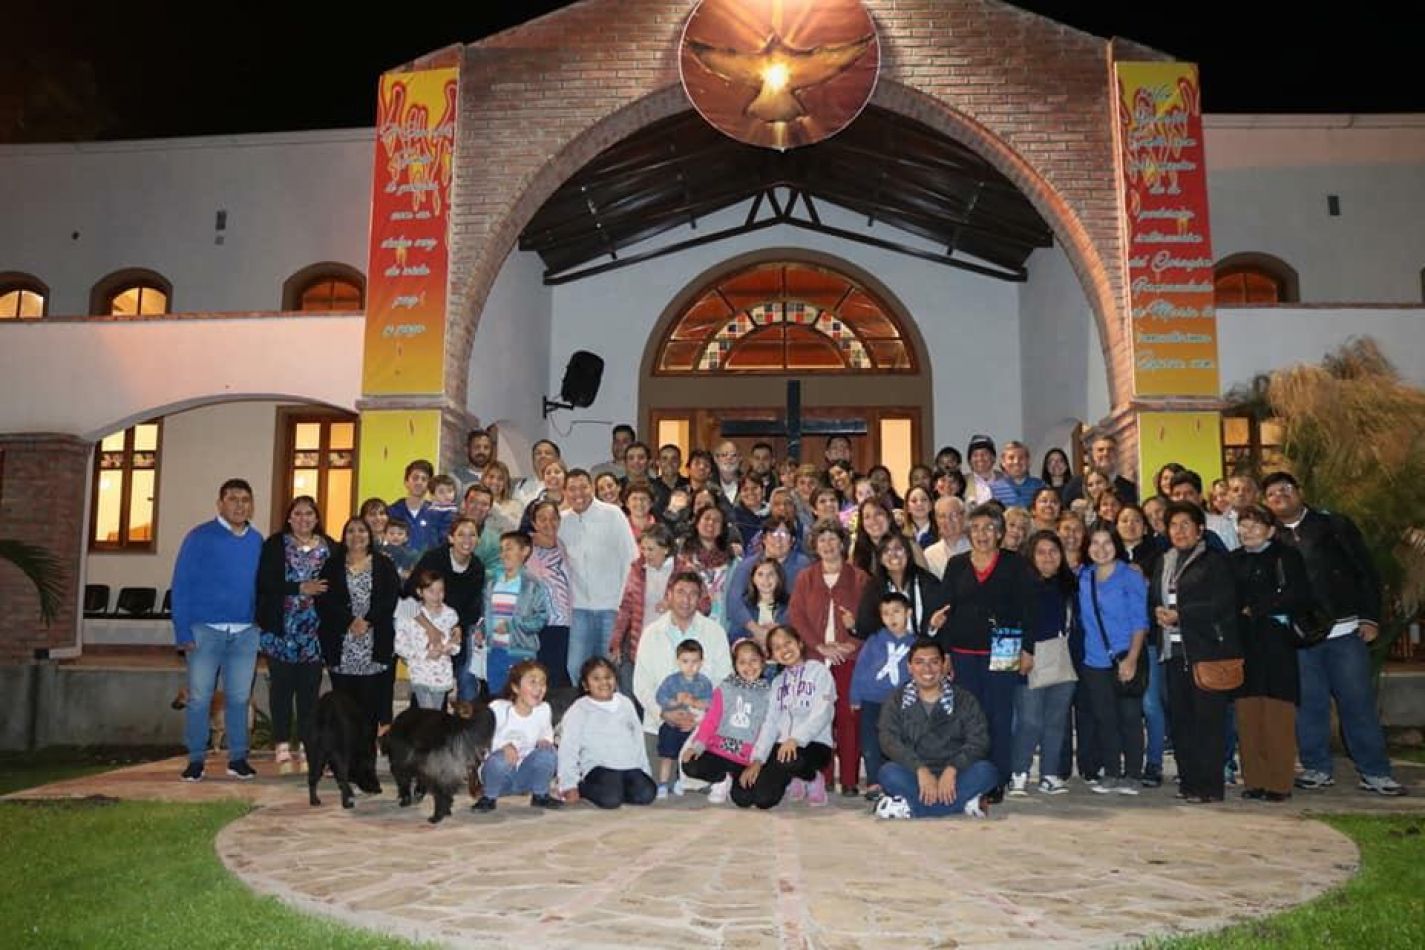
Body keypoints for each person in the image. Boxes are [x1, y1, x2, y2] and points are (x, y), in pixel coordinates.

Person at [1263, 472, 1404, 795]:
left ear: (1300, 492)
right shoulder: (1272, 539)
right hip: (1300, 638)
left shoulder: (1333, 525)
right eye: (1271, 494)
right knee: (1309, 706)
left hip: (1345, 631)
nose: (1280, 496)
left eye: (1285, 489)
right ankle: (1316, 768)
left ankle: (1375, 772)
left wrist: (1370, 618)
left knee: (1357, 703)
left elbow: (1365, 571)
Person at [937, 504, 1037, 800]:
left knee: (999, 716)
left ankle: (997, 779)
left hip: (1004, 647)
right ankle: (971, 777)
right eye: (976, 528)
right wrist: (945, 653)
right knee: (969, 717)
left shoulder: (1015, 564)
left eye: (989, 528)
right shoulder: (956, 565)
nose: (982, 534)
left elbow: (1028, 609)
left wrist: (1027, 649)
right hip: (963, 650)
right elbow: (946, 611)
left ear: (1000, 533)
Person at [171, 478, 264, 782]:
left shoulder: (256, 541)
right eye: (233, 499)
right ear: (220, 503)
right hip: (205, 631)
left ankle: (238, 759)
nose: (240, 505)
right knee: (200, 698)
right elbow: (181, 585)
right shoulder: (199, 537)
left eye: (245, 500)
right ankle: (196, 760)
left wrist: (260, 624)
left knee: (239, 698)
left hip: (245, 633)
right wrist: (182, 631)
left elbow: (263, 587)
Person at [1149, 502, 1242, 803]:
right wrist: (1158, 612)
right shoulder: (1164, 561)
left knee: (1208, 722)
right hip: (1173, 652)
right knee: (1181, 721)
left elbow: (1223, 603)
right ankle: (1188, 783)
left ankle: (1209, 786)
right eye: (1173, 525)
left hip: (1206, 651)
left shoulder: (1214, 561)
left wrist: (1182, 615)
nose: (1179, 531)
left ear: (1200, 529)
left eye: (1186, 524)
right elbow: (1155, 597)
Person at [1230, 504, 1313, 802]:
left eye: (1255, 525)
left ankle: (1279, 783)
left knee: (1278, 713)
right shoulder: (1233, 559)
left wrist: (1257, 609)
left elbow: (1298, 594)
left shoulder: (1285, 556)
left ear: (1270, 530)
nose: (1248, 531)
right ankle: (1254, 781)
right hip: (1244, 645)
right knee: (1248, 715)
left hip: (1277, 643)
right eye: (1244, 525)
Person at [875, 637, 997, 819]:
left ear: (944, 665)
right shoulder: (895, 701)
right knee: (888, 773)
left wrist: (953, 769)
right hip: (913, 773)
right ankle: (961, 803)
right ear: (909, 667)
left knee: (987, 772)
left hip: (957, 773)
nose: (927, 669)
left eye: (934, 662)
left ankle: (912, 808)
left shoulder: (965, 699)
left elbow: (979, 740)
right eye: (919, 662)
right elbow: (889, 741)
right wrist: (920, 770)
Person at [788, 519, 868, 795]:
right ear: (815, 545)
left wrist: (851, 644)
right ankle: (821, 777)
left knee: (848, 717)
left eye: (833, 538)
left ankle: (849, 779)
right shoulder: (806, 577)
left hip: (849, 658)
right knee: (818, 717)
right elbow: (797, 615)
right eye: (822, 539)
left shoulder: (859, 578)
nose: (828, 545)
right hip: (815, 658)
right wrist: (819, 646)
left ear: (843, 544)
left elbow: (869, 618)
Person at [256, 495, 331, 775]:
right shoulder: (275, 545)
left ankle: (309, 745)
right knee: (282, 689)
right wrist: (299, 588)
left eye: (309, 514)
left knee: (310, 692)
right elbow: (265, 582)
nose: (303, 519)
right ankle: (282, 744)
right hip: (281, 629)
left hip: (315, 631)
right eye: (298, 514)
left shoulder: (329, 546)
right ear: (289, 518)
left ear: (316, 518)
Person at [1078, 524, 1149, 795]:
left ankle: (1133, 774)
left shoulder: (1129, 575)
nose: (1101, 549)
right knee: (1104, 718)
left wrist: (1132, 658)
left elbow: (1140, 621)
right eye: (1094, 543)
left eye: (1107, 542)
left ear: (1116, 545)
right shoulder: (1084, 576)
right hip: (1094, 660)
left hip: (1125, 655)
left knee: (1130, 717)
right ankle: (1111, 772)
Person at [315, 517, 400, 736]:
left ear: (370, 536)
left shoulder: (384, 564)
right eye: (351, 531)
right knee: (343, 707)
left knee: (370, 707)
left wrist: (367, 620)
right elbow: (324, 601)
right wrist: (350, 621)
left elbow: (390, 599)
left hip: (373, 642)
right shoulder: (332, 565)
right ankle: (344, 752)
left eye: (362, 530)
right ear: (344, 537)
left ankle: (366, 753)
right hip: (342, 644)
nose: (356, 535)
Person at [739, 625, 838, 808]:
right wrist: (758, 759)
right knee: (752, 797)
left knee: (791, 760)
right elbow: (770, 723)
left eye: (788, 643)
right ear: (772, 655)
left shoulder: (819, 672)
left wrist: (796, 739)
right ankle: (793, 776)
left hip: (814, 744)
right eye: (777, 647)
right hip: (783, 747)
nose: (784, 650)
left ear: (799, 643)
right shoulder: (777, 683)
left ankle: (811, 777)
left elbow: (823, 712)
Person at [1010, 531, 1077, 796]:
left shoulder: (1069, 585)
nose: (1048, 557)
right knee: (1029, 721)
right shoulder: (1020, 585)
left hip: (1063, 658)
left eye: (1053, 551)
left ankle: (1049, 774)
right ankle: (1019, 773)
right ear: (1031, 556)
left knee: (1056, 721)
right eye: (1041, 552)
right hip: (1029, 658)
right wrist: (1024, 651)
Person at [559, 468, 638, 686]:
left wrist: (623, 604)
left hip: (611, 607)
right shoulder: (562, 521)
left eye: (583, 487)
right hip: (578, 608)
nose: (578, 493)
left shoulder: (613, 514)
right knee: (576, 667)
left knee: (610, 668)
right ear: (565, 492)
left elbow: (631, 559)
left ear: (592, 488)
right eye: (572, 489)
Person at [682, 639, 775, 805]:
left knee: (744, 799)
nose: (749, 667)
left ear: (763, 661)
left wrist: (757, 760)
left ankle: (733, 780)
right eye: (742, 662)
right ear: (735, 666)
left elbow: (767, 730)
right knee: (690, 764)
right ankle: (721, 779)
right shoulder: (724, 689)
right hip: (718, 752)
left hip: (744, 758)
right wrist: (697, 746)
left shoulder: (769, 695)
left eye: (753, 660)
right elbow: (710, 720)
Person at [558, 657, 658, 808]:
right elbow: (568, 748)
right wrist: (569, 784)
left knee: (647, 794)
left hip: (629, 767)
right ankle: (584, 787)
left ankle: (618, 790)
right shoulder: (579, 709)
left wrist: (645, 772)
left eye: (608, 677)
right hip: (599, 768)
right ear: (585, 685)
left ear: (615, 680)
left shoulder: (625, 704)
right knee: (610, 799)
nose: (604, 682)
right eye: (596, 679)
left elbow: (638, 740)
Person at [409, 517, 486, 703]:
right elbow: (410, 594)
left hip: (457, 628)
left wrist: (459, 626)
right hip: (425, 624)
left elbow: (473, 606)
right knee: (427, 685)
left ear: (478, 539)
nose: (467, 540)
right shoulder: (434, 559)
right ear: (451, 538)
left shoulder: (477, 567)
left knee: (465, 676)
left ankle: (463, 717)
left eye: (472, 535)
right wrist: (429, 627)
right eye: (461, 535)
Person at [849, 592, 916, 800]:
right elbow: (860, 669)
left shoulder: (915, 643)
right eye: (886, 613)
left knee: (898, 739)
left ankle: (897, 780)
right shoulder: (874, 640)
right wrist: (855, 697)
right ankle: (874, 782)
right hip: (872, 699)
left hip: (900, 701)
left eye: (896, 612)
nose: (891, 617)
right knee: (870, 740)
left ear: (908, 613)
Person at [472, 660, 562, 812]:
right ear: (515, 687)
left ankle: (540, 794)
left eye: (543, 683)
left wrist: (545, 741)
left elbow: (547, 733)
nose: (539, 688)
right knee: (501, 759)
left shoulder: (544, 709)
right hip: (500, 777)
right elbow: (483, 738)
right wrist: (503, 746)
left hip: (525, 775)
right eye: (532, 682)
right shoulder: (498, 708)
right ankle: (489, 797)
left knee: (549, 753)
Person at [481, 531, 553, 696]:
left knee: (521, 698)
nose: (503, 554)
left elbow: (541, 618)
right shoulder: (492, 584)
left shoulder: (532, 585)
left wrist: (512, 626)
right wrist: (482, 630)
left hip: (520, 652)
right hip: (494, 652)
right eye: (501, 549)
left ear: (525, 551)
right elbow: (485, 615)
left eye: (509, 548)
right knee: (497, 698)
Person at [609, 524, 677, 699]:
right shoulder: (637, 569)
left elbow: (703, 604)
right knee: (635, 691)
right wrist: (616, 640)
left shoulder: (683, 570)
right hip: (639, 642)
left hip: (671, 643)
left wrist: (674, 604)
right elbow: (626, 607)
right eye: (643, 548)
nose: (646, 554)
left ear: (666, 549)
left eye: (651, 549)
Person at [855, 532, 947, 641]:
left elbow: (939, 623)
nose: (893, 555)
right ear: (880, 559)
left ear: (908, 553)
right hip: (888, 647)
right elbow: (865, 626)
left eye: (898, 549)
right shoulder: (874, 587)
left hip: (923, 646)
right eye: (886, 551)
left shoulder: (928, 582)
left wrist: (932, 626)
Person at [653, 639, 714, 797]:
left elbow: (711, 704)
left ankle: (680, 781)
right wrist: (675, 701)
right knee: (667, 755)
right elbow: (660, 697)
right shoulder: (671, 681)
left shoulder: (704, 682)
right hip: (672, 724)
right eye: (685, 661)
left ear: (701, 662)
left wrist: (695, 702)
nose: (690, 666)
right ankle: (663, 783)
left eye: (695, 661)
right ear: (678, 662)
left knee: (685, 754)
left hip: (692, 726)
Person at [393, 569, 460, 710]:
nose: (436, 596)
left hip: (442, 675)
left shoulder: (450, 614)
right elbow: (400, 646)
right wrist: (425, 654)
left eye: (441, 591)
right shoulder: (409, 614)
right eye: (431, 591)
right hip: (420, 673)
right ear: (420, 592)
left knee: (436, 713)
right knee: (426, 712)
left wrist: (449, 648)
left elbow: (456, 643)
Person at [526, 500, 573, 688]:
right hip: (540, 622)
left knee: (559, 674)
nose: (549, 523)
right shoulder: (526, 548)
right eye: (542, 519)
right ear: (534, 523)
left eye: (553, 518)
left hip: (564, 621)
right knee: (541, 674)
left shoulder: (561, 545)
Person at [677, 504, 739, 629]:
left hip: (722, 624)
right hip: (688, 620)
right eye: (707, 518)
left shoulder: (732, 561)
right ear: (697, 523)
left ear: (722, 528)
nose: (711, 523)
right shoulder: (682, 556)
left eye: (717, 520)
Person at [1062, 435, 1138, 506]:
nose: (1105, 453)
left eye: (1110, 449)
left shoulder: (1129, 488)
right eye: (1100, 450)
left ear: (1117, 453)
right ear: (1093, 455)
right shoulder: (1075, 485)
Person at [389, 460, 443, 555]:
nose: (419, 482)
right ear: (406, 482)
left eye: (424, 479)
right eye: (415, 478)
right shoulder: (392, 512)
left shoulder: (438, 514)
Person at [923, 495, 969, 580]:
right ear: (936, 520)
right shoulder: (930, 554)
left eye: (953, 515)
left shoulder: (977, 548)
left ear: (964, 516)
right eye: (942, 516)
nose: (948, 520)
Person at [991, 441, 1045, 509]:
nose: (1016, 462)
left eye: (1021, 458)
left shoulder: (1040, 486)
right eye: (1011, 458)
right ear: (1003, 463)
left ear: (1028, 462)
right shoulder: (993, 490)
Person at [512, 439, 562, 508]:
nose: (542, 456)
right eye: (538, 453)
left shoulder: (566, 485)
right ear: (533, 459)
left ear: (557, 459)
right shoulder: (521, 486)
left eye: (548, 453)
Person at [481, 460, 522, 534]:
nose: (495, 482)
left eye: (500, 479)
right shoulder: (477, 505)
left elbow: (516, 529)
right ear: (484, 479)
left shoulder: (515, 505)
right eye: (491, 477)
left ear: (505, 483)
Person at [452, 427, 495, 493]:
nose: (482, 451)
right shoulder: (455, 478)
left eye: (486, 448)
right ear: (467, 449)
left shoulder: (499, 480)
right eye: (477, 447)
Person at [964, 434, 998, 505]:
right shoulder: (962, 482)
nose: (980, 459)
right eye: (975, 455)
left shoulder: (1005, 480)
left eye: (984, 454)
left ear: (993, 458)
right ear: (969, 461)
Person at [427, 474, 460, 541]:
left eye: (450, 491)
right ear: (432, 495)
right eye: (441, 492)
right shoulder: (434, 511)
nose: (446, 495)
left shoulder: (453, 508)